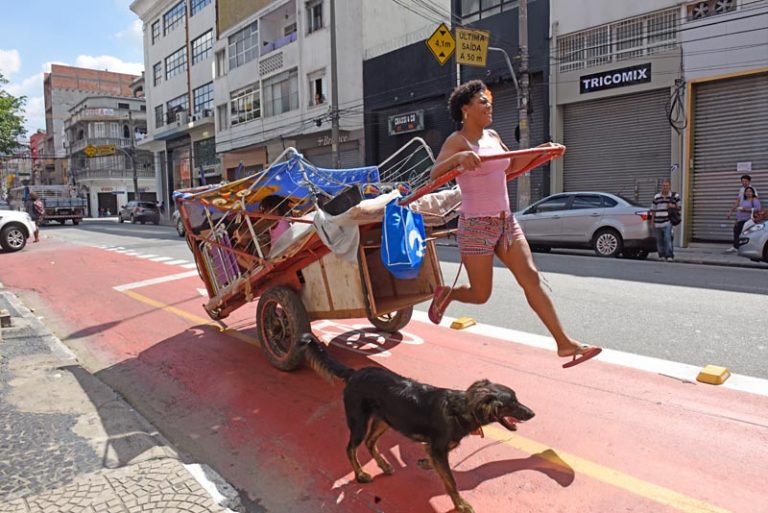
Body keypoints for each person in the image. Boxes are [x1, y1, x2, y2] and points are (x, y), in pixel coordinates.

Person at [427, 80, 601, 368]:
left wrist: (541, 151)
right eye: (483, 101)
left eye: (489, 101)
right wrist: (459, 158)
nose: (489, 105)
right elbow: (435, 174)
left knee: (530, 277)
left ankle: (563, 343)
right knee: (481, 295)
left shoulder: (493, 136)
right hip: (476, 226)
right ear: (465, 109)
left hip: (506, 222)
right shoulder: (457, 141)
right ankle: (448, 293)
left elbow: (513, 166)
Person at [650, 179, 680, 261]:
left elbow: (679, 207)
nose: (665, 187)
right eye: (663, 186)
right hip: (657, 222)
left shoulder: (675, 196)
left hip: (667, 221)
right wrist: (652, 222)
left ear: (669, 186)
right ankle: (661, 255)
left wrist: (672, 206)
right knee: (659, 240)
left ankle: (669, 255)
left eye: (667, 185)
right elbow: (653, 210)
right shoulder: (656, 197)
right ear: (661, 186)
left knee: (667, 238)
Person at [727, 174, 758, 252]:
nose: (744, 183)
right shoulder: (741, 190)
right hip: (740, 215)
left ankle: (744, 247)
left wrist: (748, 210)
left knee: (747, 232)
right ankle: (736, 247)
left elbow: (755, 202)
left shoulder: (752, 189)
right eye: (742, 181)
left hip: (748, 215)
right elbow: (737, 201)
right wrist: (731, 211)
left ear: (749, 181)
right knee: (737, 230)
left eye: (745, 181)